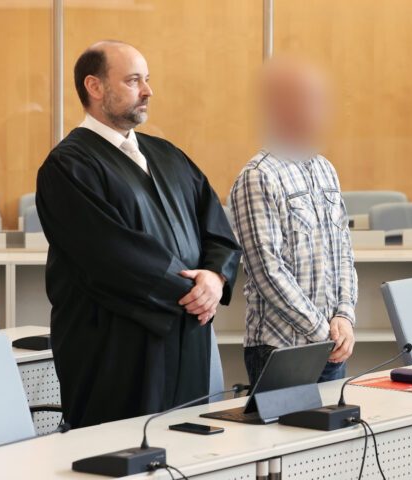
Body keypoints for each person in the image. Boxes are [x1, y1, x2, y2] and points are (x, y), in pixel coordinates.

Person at [36, 41, 241, 429]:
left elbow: (216, 228)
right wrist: (192, 293)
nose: (147, 91)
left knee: (190, 454)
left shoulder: (168, 155)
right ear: (94, 87)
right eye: (133, 80)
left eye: (147, 80)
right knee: (123, 457)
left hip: (188, 336)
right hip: (115, 349)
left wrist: (214, 277)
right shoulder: (67, 166)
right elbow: (110, 256)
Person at [230, 57, 358, 388]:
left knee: (333, 439)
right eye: (308, 98)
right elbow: (267, 272)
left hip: (330, 345)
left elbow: (343, 252)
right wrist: (322, 331)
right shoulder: (258, 176)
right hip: (280, 350)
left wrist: (344, 316)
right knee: (284, 440)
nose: (319, 108)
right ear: (280, 107)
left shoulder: (326, 169)